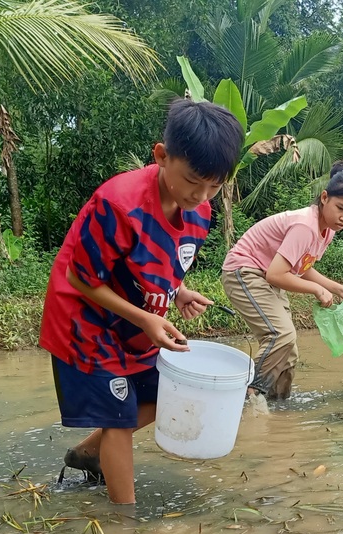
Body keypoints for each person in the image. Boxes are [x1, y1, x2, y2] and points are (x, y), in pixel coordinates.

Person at [40, 99, 244, 505]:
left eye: (214, 186)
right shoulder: (119, 204)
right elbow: (80, 277)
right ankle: (126, 526)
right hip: (86, 321)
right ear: (162, 156)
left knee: (161, 393)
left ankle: (88, 453)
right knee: (118, 416)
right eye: (193, 181)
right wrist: (146, 320)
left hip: (133, 322)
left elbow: (165, 259)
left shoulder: (199, 210)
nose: (201, 195)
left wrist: (179, 291)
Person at [221, 162, 343, 400]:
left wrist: (335, 287)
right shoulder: (306, 226)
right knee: (281, 336)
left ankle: (278, 409)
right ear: (324, 198)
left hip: (265, 274)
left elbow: (301, 266)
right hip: (245, 271)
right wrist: (317, 290)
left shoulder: (326, 229)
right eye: (341, 208)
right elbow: (276, 274)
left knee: (288, 352)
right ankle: (248, 397)